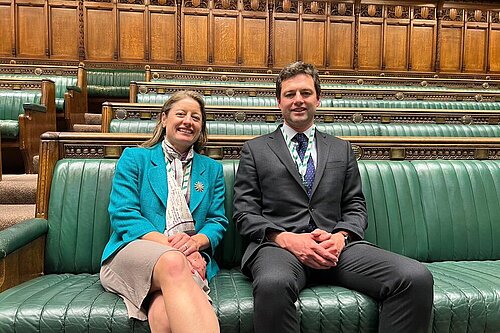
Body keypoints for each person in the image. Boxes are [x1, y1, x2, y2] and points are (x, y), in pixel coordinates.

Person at [233, 62, 434, 333]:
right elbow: (244, 212)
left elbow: (355, 206)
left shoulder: (342, 148)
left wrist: (340, 237)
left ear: (318, 98)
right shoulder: (255, 150)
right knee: (273, 285)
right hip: (280, 248)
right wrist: (286, 239)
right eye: (290, 94)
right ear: (279, 101)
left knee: (415, 277)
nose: (298, 101)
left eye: (305, 93)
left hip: (336, 247)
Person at [100, 90, 228, 333]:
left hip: (190, 256)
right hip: (134, 251)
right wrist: (176, 248)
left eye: (196, 117)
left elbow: (216, 221)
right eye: (181, 114)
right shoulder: (135, 158)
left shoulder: (211, 169)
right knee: (172, 261)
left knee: (164, 314)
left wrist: (195, 244)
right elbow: (123, 214)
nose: (188, 121)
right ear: (164, 119)